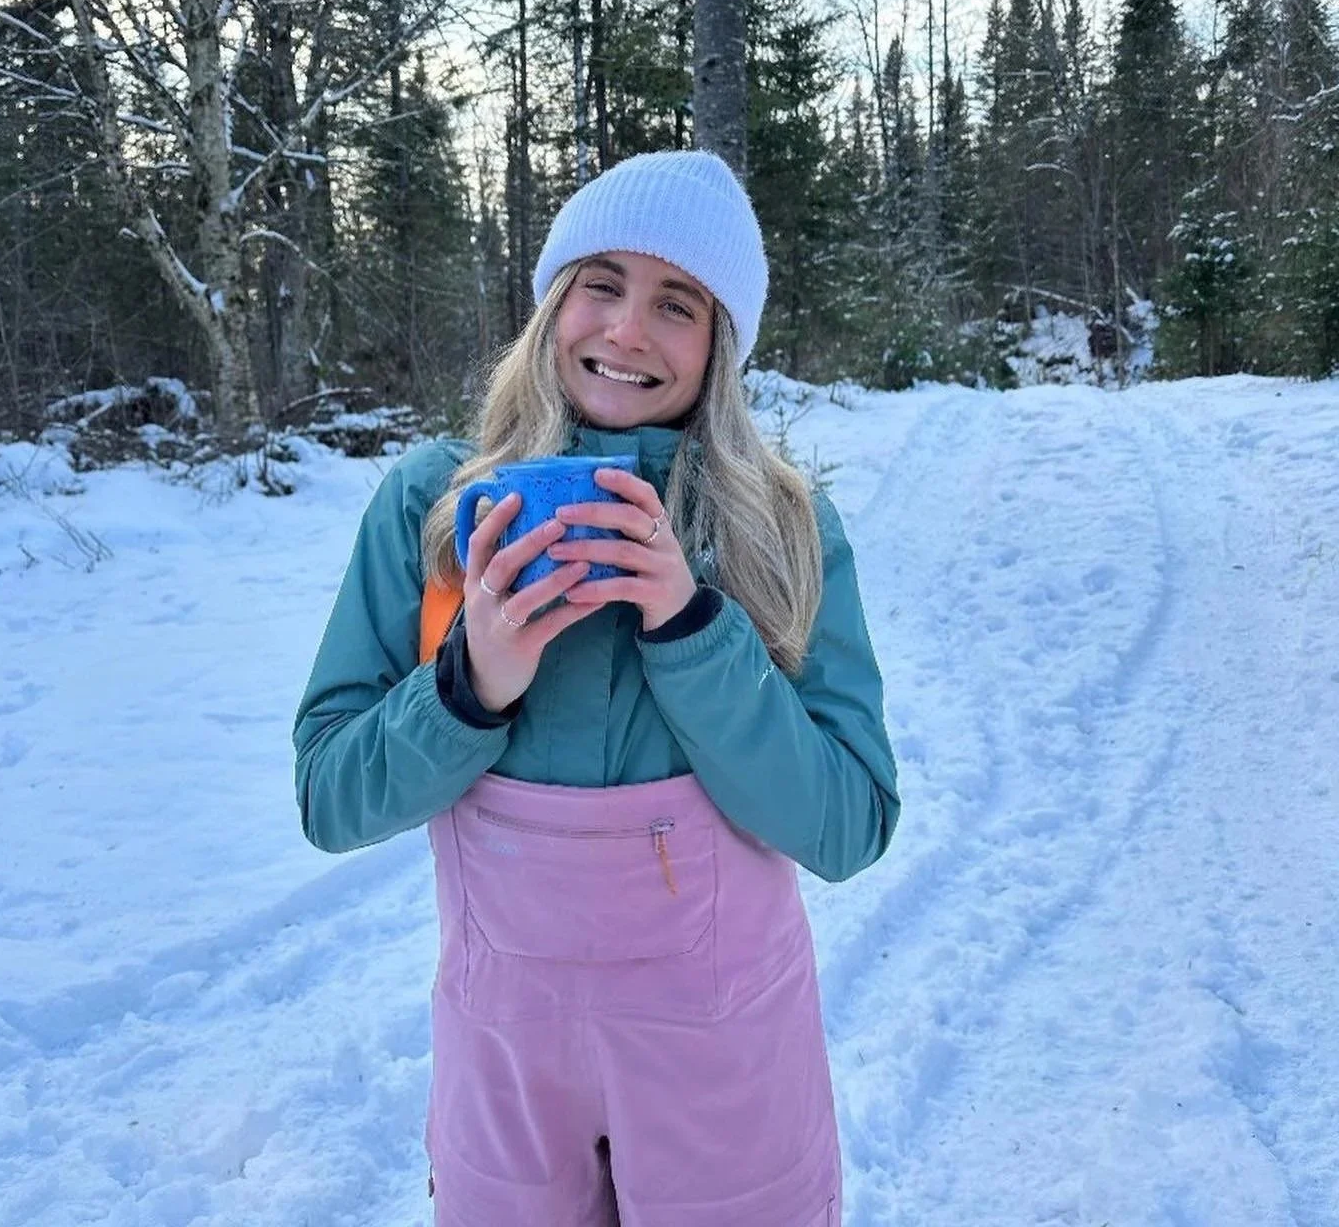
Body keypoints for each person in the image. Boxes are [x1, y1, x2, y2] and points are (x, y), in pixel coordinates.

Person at [293, 150, 901, 1227]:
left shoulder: (782, 529)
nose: (626, 331)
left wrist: (690, 626)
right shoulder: (435, 507)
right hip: (509, 1081)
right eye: (601, 284)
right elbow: (332, 799)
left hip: (728, 1078)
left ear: (719, 347)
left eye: (677, 305)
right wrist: (472, 685)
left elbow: (848, 826)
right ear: (551, 304)